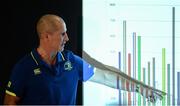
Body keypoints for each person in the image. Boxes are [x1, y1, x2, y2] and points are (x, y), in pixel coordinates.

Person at [4, 14, 94, 105]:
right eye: (62, 34)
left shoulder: (72, 60)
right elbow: (9, 103)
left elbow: (101, 76)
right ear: (47, 36)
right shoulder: (24, 67)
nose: (67, 38)